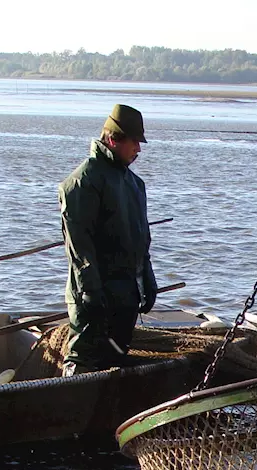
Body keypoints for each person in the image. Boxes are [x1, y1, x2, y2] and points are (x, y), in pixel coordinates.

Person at [59, 104, 158, 374]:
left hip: (126, 294)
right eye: (134, 142)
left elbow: (141, 239)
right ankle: (68, 408)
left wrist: (147, 278)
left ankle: (108, 413)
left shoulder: (135, 185)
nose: (138, 149)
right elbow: (79, 245)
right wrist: (91, 291)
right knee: (83, 358)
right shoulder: (82, 182)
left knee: (115, 358)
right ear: (113, 140)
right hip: (94, 294)